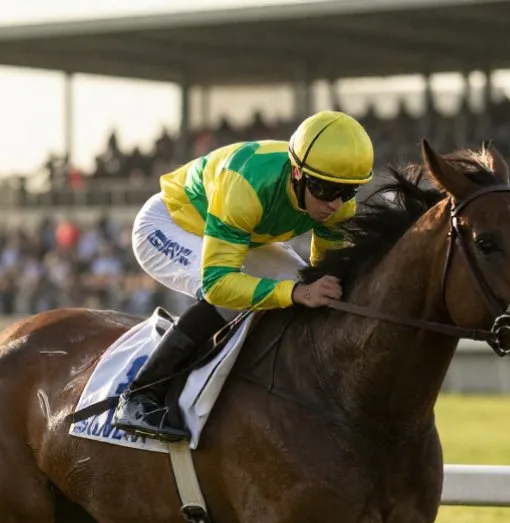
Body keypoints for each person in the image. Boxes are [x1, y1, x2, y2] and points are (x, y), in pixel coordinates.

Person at [112, 110, 374, 441]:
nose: (335, 204)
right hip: (171, 223)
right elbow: (218, 284)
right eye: (324, 189)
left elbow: (325, 275)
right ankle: (139, 396)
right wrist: (294, 292)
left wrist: (309, 291)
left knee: (308, 289)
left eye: (347, 192)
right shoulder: (247, 184)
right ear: (297, 173)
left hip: (237, 236)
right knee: (233, 299)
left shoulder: (338, 204)